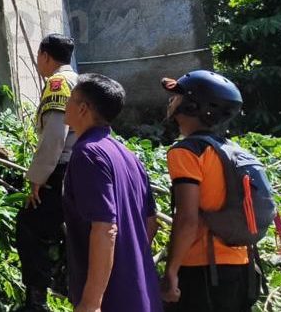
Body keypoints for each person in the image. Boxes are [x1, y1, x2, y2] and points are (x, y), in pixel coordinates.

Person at [160, 71, 260, 312]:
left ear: (194, 106)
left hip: (204, 270)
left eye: (177, 97)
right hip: (244, 267)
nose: (171, 101)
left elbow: (187, 219)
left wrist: (171, 271)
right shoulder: (234, 151)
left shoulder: (187, 152)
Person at [62, 74, 161, 312]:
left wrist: (91, 302)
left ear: (83, 109)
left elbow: (105, 229)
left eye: (71, 99)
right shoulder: (127, 155)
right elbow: (151, 221)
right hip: (140, 290)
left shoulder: (88, 154)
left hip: (111, 298)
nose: (66, 103)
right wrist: (131, 261)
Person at [15, 34, 78, 311]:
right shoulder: (77, 80)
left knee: (30, 227)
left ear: (44, 55)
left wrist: (37, 179)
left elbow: (55, 136)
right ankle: (67, 285)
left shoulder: (57, 83)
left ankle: (37, 300)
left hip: (61, 170)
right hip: (77, 169)